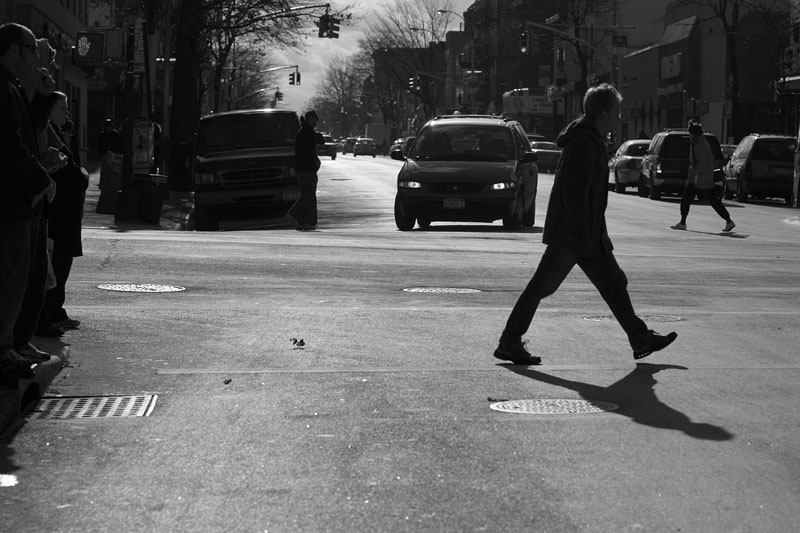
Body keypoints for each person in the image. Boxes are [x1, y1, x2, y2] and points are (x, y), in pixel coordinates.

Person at [494, 83, 678, 365]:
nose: (619, 118)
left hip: (587, 234)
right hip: (574, 235)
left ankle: (640, 338)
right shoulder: (583, 142)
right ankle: (509, 341)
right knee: (541, 287)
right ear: (603, 114)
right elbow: (574, 192)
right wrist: (583, 232)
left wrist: (592, 233)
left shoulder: (588, 139)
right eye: (616, 113)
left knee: (614, 284)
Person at [0, 23, 57, 378]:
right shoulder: (4, 86)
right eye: (31, 48)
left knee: (19, 276)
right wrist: (41, 178)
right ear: (14, 49)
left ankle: (9, 345)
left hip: (16, 200)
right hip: (9, 202)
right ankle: (4, 348)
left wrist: (43, 100)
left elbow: (26, 135)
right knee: (11, 277)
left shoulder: (12, 86)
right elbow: (11, 145)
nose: (35, 57)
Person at [39, 91, 87, 333]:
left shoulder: (62, 132)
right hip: (57, 210)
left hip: (68, 209)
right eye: (62, 108)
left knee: (63, 260)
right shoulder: (47, 132)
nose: (67, 113)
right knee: (55, 262)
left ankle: (56, 310)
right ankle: (50, 311)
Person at [671, 121, 735, 232]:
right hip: (706, 176)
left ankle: (682, 222)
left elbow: (702, 162)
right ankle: (729, 221)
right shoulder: (703, 142)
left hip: (698, 178)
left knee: (686, 199)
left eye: (690, 133)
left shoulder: (698, 145)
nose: (689, 136)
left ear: (694, 134)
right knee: (713, 200)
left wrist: (693, 172)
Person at [288, 110, 321, 231]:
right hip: (307, 169)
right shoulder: (307, 133)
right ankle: (293, 214)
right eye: (315, 120)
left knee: (306, 195)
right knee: (308, 196)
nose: (316, 122)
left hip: (302, 169)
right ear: (310, 119)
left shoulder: (302, 132)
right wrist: (314, 162)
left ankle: (303, 221)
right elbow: (309, 152)